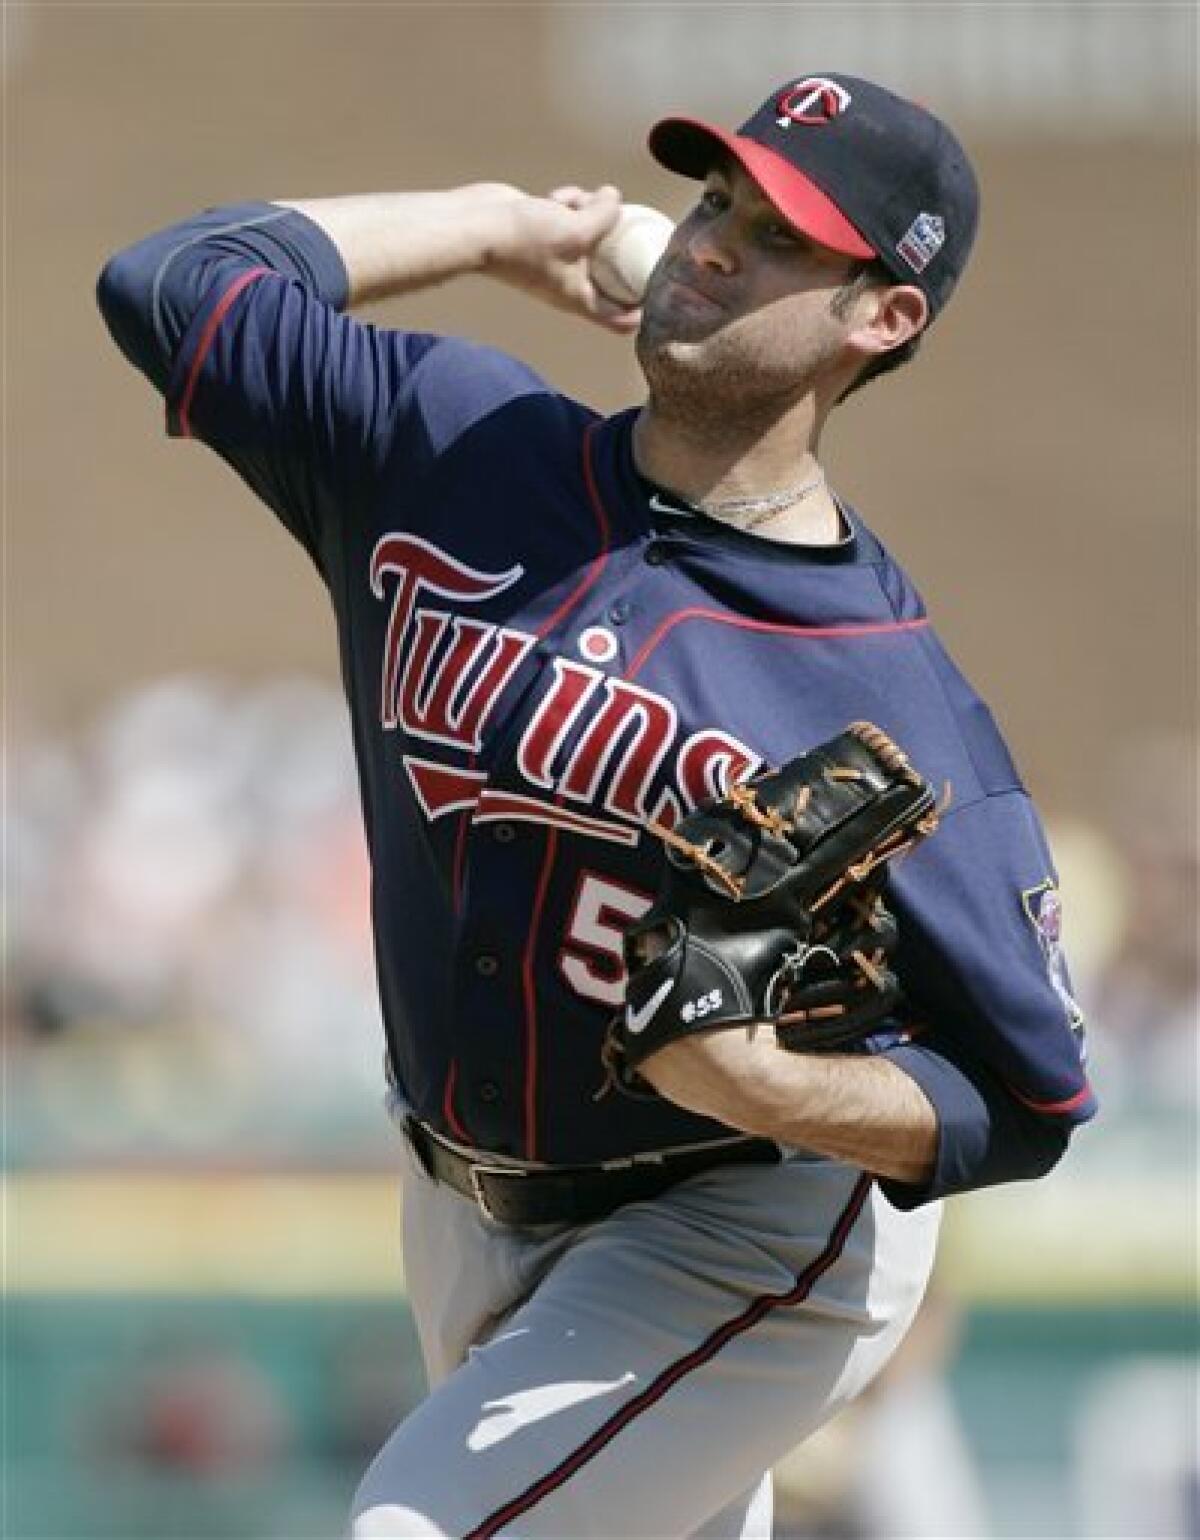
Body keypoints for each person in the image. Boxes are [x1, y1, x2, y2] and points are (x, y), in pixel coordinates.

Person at [98, 70, 1096, 1540]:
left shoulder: (890, 701)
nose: (708, 245)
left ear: (881, 316)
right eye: (713, 201)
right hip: (458, 1201)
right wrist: (496, 225)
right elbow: (174, 284)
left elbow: (1028, 1097)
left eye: (780, 238)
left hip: (736, 1227)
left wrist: (777, 1092)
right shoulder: (454, 445)